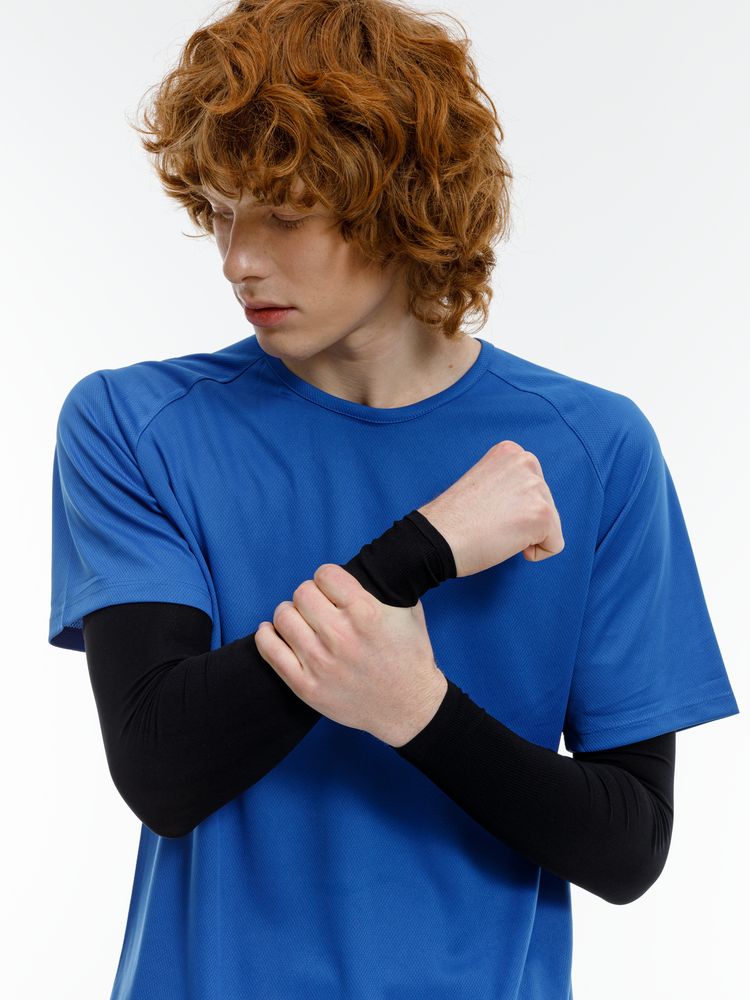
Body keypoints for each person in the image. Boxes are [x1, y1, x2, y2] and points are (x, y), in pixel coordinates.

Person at [47, 2, 740, 998]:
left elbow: (627, 845)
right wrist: (418, 553)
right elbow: (163, 769)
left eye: (284, 215)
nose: (238, 258)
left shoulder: (593, 449)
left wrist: (417, 710)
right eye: (220, 210)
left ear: (398, 201)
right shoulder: (136, 425)